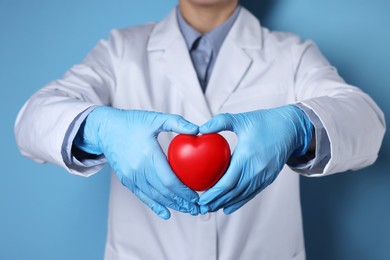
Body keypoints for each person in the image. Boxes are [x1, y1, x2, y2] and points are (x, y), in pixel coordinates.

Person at [15, 0, 385, 259]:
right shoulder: (120, 50)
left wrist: (298, 126)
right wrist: (98, 127)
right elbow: (32, 120)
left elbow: (367, 123)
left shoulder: (292, 54)